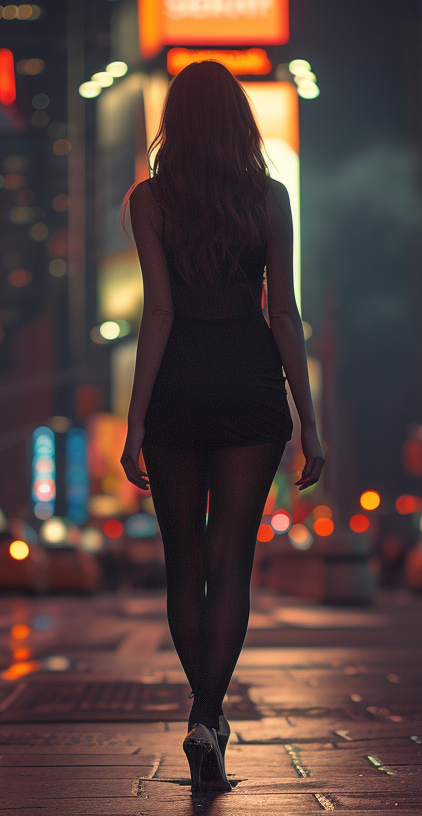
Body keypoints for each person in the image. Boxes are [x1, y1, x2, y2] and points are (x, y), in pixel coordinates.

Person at [118, 62, 324, 794]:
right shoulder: (269, 198)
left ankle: (204, 714)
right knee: (233, 560)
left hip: (177, 385)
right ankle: (208, 718)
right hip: (248, 385)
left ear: (174, 120)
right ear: (240, 120)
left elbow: (159, 312)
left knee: (186, 566)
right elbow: (285, 313)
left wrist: (136, 421)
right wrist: (310, 421)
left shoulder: (149, 201)